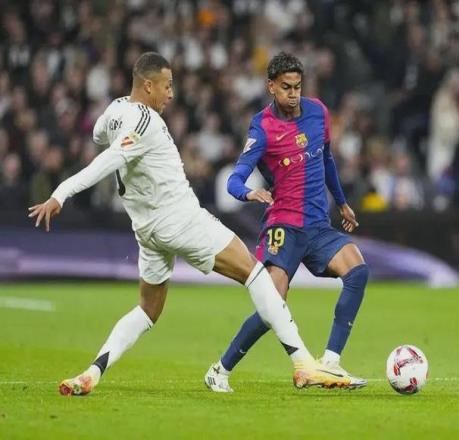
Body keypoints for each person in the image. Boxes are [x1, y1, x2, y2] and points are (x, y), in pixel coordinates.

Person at [28, 52, 352, 396]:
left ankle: (93, 371)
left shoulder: (116, 110)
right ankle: (304, 363)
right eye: (166, 86)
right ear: (148, 86)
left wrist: (115, 130)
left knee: (148, 310)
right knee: (256, 274)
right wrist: (60, 194)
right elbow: (108, 158)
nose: (171, 94)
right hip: (180, 219)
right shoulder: (146, 122)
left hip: (147, 231)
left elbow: (97, 135)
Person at [204, 52, 369, 392]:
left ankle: (330, 362)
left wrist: (342, 203)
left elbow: (327, 160)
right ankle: (220, 370)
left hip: (318, 224)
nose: (293, 94)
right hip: (284, 224)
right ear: (271, 87)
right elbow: (234, 179)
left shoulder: (318, 112)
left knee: (357, 270)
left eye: (297, 87)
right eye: (286, 88)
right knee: (273, 303)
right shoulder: (262, 127)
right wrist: (249, 193)